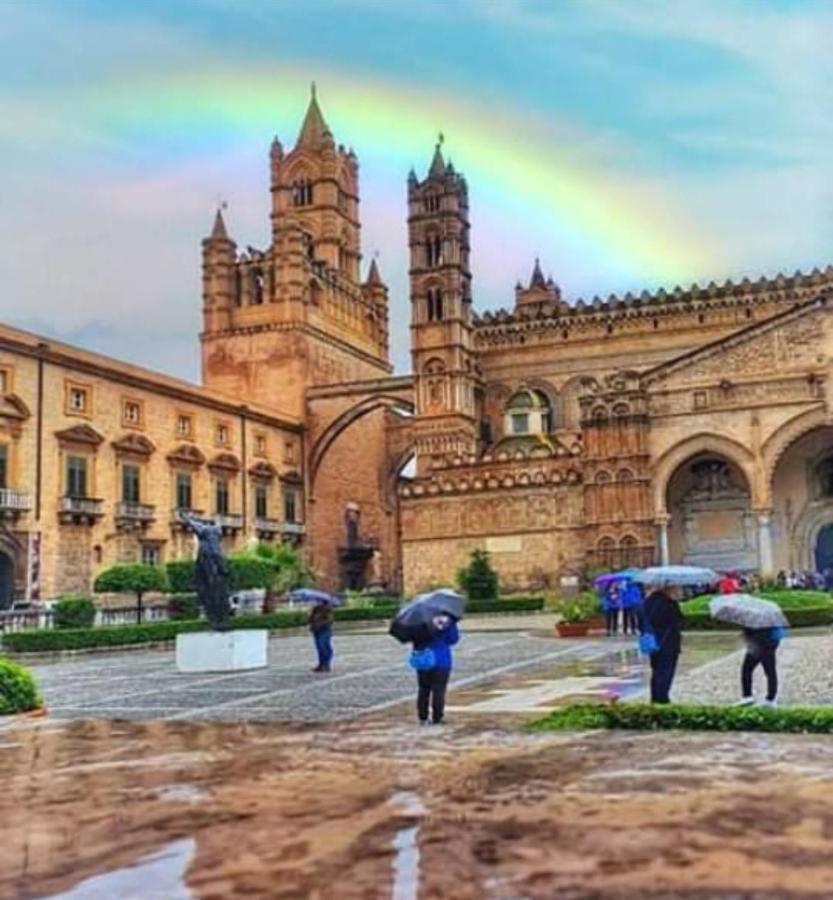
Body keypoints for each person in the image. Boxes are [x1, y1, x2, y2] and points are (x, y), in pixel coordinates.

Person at [640, 585, 684, 704]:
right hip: (668, 642)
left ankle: (655, 696)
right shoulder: (668, 604)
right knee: (666, 671)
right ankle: (662, 698)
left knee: (656, 670)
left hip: (653, 641)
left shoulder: (647, 602)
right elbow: (679, 619)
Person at [416, 614, 459, 725]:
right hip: (441, 660)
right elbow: (453, 639)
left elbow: (414, 640)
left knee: (423, 689)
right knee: (439, 690)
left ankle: (423, 717)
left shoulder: (418, 620)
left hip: (423, 660)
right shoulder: (448, 620)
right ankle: (437, 717)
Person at [736, 626, 781, 706]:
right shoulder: (767, 616)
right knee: (769, 671)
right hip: (768, 643)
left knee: (748, 669)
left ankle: (749, 697)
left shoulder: (754, 617)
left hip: (760, 644)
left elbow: (753, 630)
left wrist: (746, 634)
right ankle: (770, 699)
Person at [308, 601, 334, 673]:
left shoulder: (327, 609)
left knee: (324, 647)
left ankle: (326, 665)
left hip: (324, 630)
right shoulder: (315, 609)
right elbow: (310, 620)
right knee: (319, 648)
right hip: (316, 631)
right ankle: (321, 665)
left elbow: (330, 620)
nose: (316, 602)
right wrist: (310, 614)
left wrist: (320, 624)